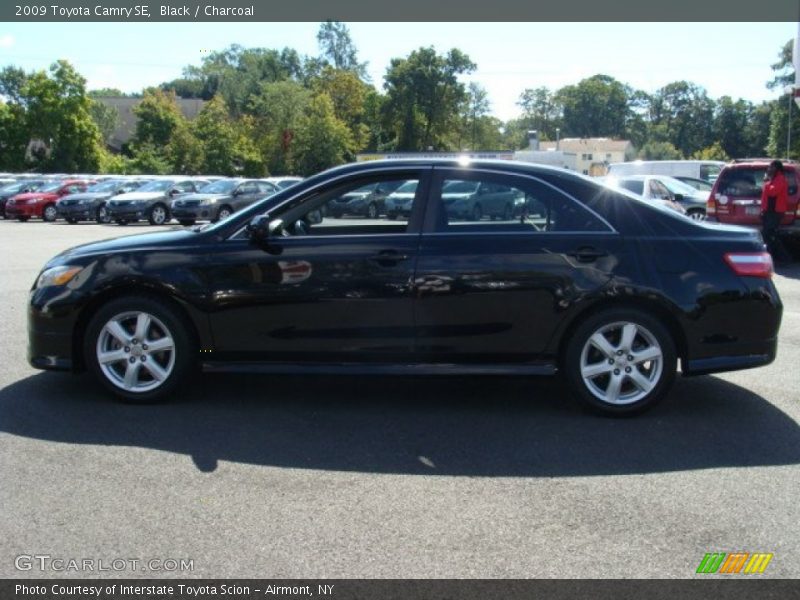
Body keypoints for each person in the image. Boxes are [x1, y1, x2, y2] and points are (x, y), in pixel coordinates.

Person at [760, 160, 791, 265]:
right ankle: (774, 258)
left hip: (775, 212)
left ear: (776, 168)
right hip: (768, 211)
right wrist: (763, 210)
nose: (769, 169)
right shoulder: (772, 179)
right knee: (769, 235)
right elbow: (765, 196)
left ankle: (784, 258)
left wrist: (766, 182)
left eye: (771, 167)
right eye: (769, 167)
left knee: (769, 234)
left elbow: (772, 192)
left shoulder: (780, 179)